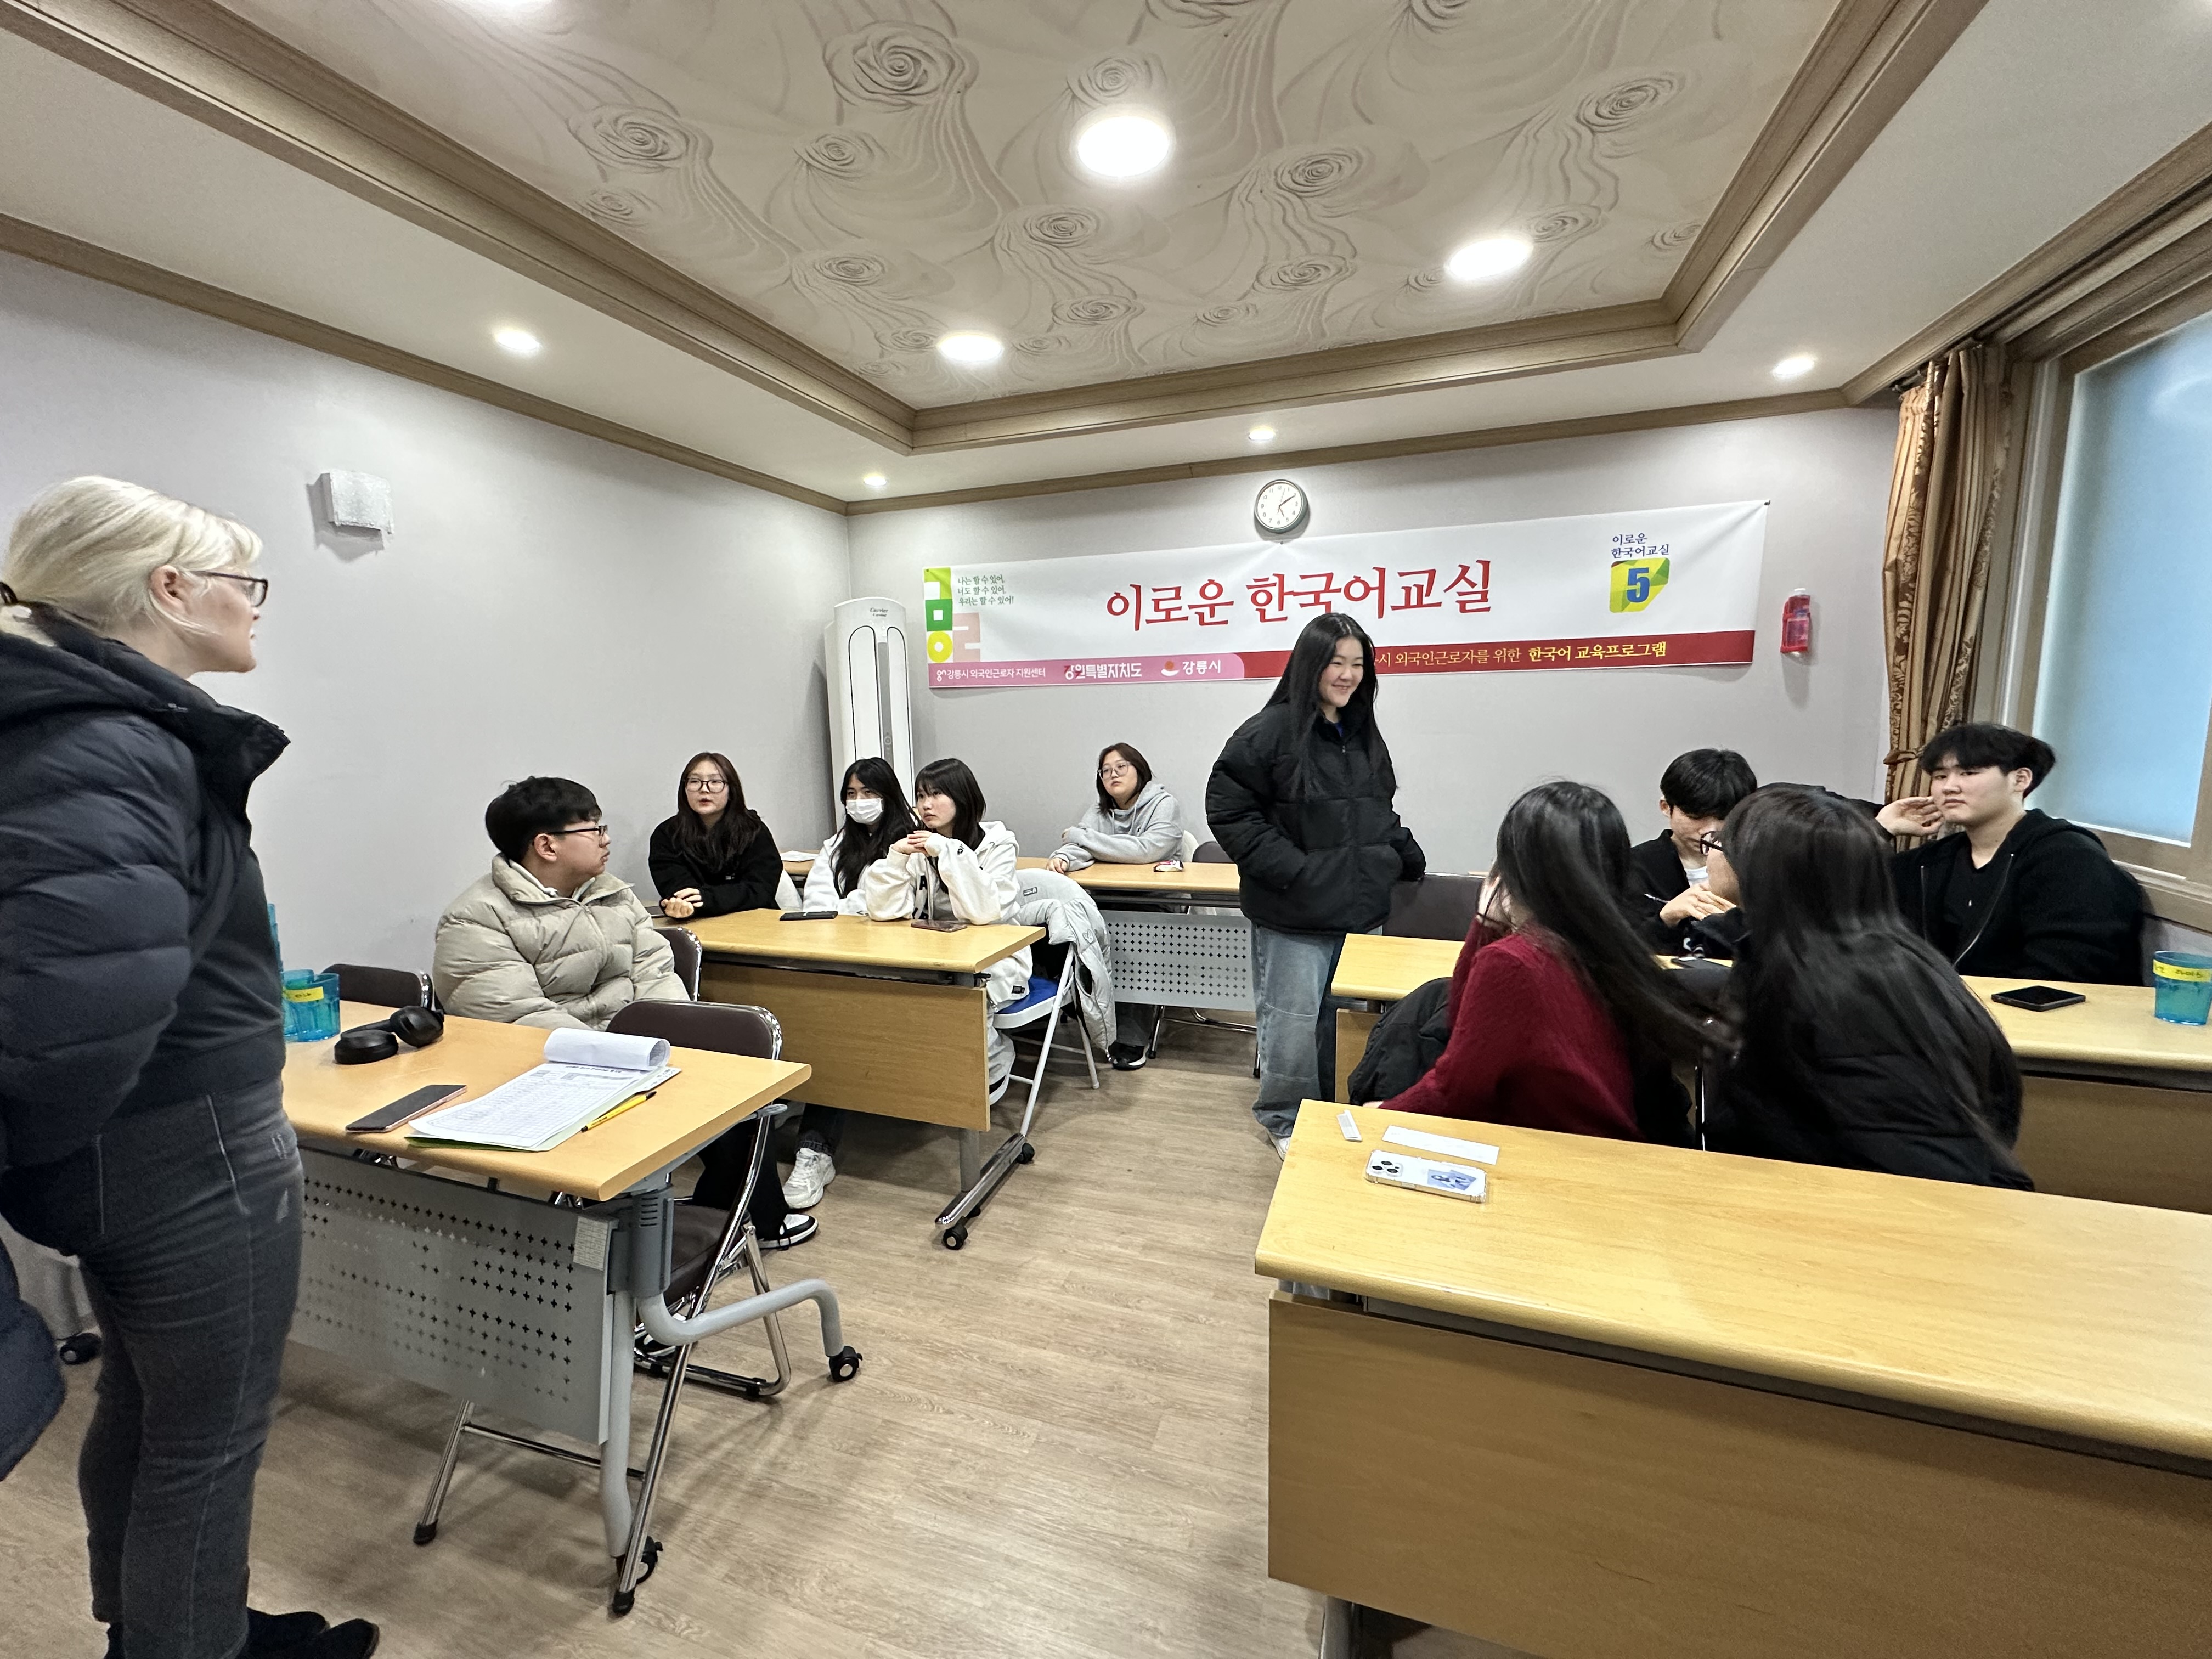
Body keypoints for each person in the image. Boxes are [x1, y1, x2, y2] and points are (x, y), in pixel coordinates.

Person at [0, 477, 377, 1658]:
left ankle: (165, 1627)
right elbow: (76, 1008)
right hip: (186, 1148)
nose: (256, 605)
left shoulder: (58, 722)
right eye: (243, 581)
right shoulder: (113, 740)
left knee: (147, 1398)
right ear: (169, 590)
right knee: (208, 1439)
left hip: (129, 1148)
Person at [433, 777, 815, 1248]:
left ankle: (735, 1216)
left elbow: (655, 970)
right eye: (593, 829)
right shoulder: (478, 917)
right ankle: (642, 1240)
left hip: (635, 1053)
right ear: (547, 846)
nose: (606, 839)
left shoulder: (611, 892)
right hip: (553, 1071)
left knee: (732, 1073)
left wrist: (671, 1043)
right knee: (694, 1088)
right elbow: (516, 1018)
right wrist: (620, 1059)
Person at [1705, 786, 2031, 1186]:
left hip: (1862, 1208)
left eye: (1718, 844)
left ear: (1760, 871)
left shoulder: (1847, 997)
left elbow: (1927, 1171)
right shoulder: (1811, 954)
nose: (1710, 855)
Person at [1372, 782, 1711, 1139]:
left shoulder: (1514, 962)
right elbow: (1464, 1040)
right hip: (1612, 1149)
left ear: (1512, 868)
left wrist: (1378, 1116)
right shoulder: (1609, 943)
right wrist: (1487, 926)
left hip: (1556, 1152)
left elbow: (1456, 1089)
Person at [1206, 612, 1425, 1153]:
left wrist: (1401, 850)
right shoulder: (1268, 731)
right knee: (1292, 1025)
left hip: (1360, 913)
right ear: (1310, 665)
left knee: (1344, 1025)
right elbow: (1229, 812)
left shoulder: (1362, 731)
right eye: (1336, 663)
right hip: (1294, 914)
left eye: (1358, 664)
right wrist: (1293, 871)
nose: (1348, 675)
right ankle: (1285, 1119)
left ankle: (1332, 1112)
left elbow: (1374, 810)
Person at [1877, 723, 2143, 984]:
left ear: (2020, 779)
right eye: (1940, 776)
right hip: (1947, 1005)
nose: (1949, 787)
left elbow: (2068, 970)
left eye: (1968, 773)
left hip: (2027, 1007)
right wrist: (1882, 829)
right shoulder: (1934, 860)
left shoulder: (2069, 857)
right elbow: (1858, 896)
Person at [781, 757, 919, 1208]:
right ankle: (803, 1124)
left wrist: (849, 911)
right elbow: (817, 901)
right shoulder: (837, 844)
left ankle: (815, 1148)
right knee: (815, 1014)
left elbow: (890, 904)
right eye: (852, 794)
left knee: (836, 1024)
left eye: (869, 793)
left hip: (897, 965)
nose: (859, 802)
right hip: (837, 957)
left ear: (889, 795)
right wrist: (849, 911)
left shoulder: (913, 839)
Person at [862, 758, 1031, 1094]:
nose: (926, 805)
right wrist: (896, 858)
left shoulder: (998, 845)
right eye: (920, 796)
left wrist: (950, 852)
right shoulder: (923, 846)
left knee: (962, 999)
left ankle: (992, 1064)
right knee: (885, 991)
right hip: (937, 955)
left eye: (936, 794)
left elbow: (984, 913)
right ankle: (916, 1082)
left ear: (962, 797)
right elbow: (883, 912)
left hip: (995, 959)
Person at [1046, 741, 1187, 1070]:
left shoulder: (1164, 804)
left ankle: (1131, 1034)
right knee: (1066, 919)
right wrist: (1064, 855)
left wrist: (1082, 838)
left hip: (1154, 903)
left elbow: (1148, 850)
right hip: (1107, 897)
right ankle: (1077, 1011)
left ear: (1140, 770)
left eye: (1121, 767)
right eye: (1106, 771)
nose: (1113, 775)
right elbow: (1079, 847)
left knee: (1135, 935)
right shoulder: (1099, 812)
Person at [1628, 748, 1757, 955]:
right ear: (1666, 807)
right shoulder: (1633, 867)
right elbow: (1619, 946)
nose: (1710, 831)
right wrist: (1666, 918)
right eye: (1696, 817)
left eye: (1724, 817)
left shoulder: (1757, 867)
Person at [650, 751, 782, 921]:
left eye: (715, 782)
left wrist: (706, 898)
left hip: (755, 922)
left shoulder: (754, 830)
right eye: (695, 781)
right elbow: (681, 892)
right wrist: (681, 905)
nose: (704, 789)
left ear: (731, 790)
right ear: (684, 789)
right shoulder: (667, 835)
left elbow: (761, 890)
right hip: (697, 924)